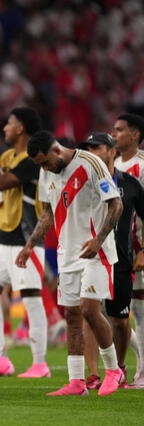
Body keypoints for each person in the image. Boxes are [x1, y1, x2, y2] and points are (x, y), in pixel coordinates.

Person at [16, 130, 123, 396]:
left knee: (88, 309)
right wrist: (29, 245)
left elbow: (116, 205)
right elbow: (48, 213)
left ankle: (113, 370)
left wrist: (98, 240)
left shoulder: (90, 163)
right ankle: (76, 382)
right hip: (67, 254)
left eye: (45, 162)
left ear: (55, 150)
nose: (44, 168)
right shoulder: (46, 172)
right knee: (72, 316)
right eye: (40, 165)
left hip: (96, 252)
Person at [0, 107, 50, 378]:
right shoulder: (5, 155)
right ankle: (0, 360)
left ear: (22, 129)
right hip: (1, 237)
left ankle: (40, 363)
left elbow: (1, 182)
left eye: (10, 123)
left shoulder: (33, 159)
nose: (4, 127)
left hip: (25, 239)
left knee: (30, 297)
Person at [79, 133, 144, 389]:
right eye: (88, 148)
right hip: (90, 257)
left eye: (96, 147)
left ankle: (119, 369)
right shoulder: (83, 181)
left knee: (120, 320)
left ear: (111, 151)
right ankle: (95, 374)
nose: (91, 151)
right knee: (89, 313)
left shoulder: (130, 184)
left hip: (121, 260)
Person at [112, 112, 144, 387]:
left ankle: (141, 373)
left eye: (120, 129)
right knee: (114, 313)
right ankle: (132, 364)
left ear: (134, 135)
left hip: (138, 249)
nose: (114, 133)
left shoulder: (142, 166)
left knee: (139, 309)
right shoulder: (109, 165)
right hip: (115, 250)